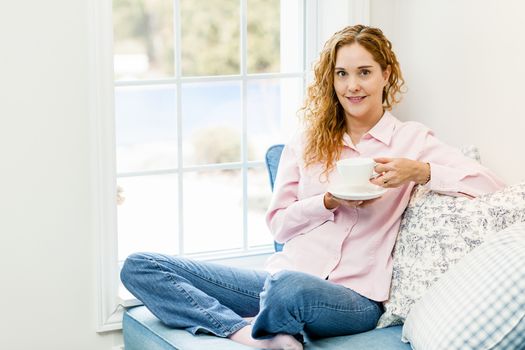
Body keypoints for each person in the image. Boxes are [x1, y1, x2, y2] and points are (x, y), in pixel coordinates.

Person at [120, 25, 505, 350]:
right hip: (281, 277)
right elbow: (279, 226)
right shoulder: (307, 142)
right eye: (341, 74)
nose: (352, 86)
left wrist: (418, 171)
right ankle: (249, 332)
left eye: (364, 72)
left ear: (386, 75)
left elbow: (489, 185)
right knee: (140, 266)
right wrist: (326, 200)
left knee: (288, 289)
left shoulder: (412, 140)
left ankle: (274, 319)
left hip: (353, 298)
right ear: (331, 78)